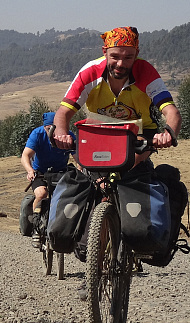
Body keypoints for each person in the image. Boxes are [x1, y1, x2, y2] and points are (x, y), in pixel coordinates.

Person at [51, 26, 181, 170]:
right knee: (91, 175)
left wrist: (168, 134)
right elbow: (63, 112)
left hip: (140, 134)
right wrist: (62, 134)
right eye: (115, 57)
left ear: (137, 54)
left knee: (129, 166)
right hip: (101, 131)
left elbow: (171, 112)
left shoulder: (146, 72)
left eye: (128, 57)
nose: (120, 64)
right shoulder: (89, 72)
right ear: (104, 52)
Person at [21, 112, 77, 247]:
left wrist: (81, 170)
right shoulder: (37, 134)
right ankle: (36, 228)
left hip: (61, 171)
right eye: (48, 129)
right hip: (40, 172)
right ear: (44, 127)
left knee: (68, 196)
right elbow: (25, 155)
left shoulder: (67, 136)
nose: (51, 132)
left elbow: (78, 158)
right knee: (41, 194)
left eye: (54, 128)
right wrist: (30, 170)